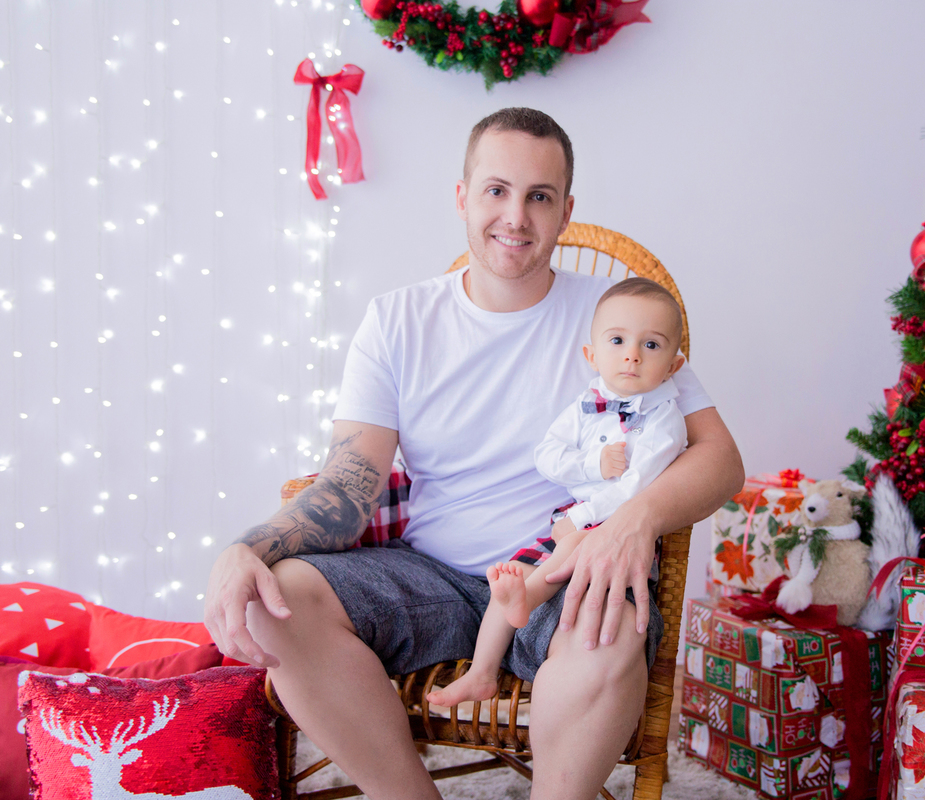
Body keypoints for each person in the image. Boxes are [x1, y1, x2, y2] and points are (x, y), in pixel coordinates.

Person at [203, 107, 743, 800]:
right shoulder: (397, 320)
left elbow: (720, 459)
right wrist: (245, 548)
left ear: (566, 211)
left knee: (611, 619)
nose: (515, 216)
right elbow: (349, 482)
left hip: (556, 573)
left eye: (539, 196)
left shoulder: (617, 319)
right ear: (462, 197)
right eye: (496, 190)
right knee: (275, 601)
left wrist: (636, 520)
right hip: (423, 575)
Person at [427, 277, 689, 707]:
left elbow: (637, 489)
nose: (632, 355)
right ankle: (481, 673)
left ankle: (526, 601)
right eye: (618, 340)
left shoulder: (665, 421)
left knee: (572, 545)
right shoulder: (586, 404)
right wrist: (591, 465)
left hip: (620, 528)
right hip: (573, 514)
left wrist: (581, 519)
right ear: (592, 355)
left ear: (674, 366)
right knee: (514, 571)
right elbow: (547, 455)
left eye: (651, 345)